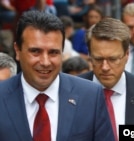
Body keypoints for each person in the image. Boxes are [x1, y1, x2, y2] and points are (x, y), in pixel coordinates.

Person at [0, 10, 115, 141]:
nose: (45, 62)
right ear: (17, 51)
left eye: (53, 52)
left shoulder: (91, 96)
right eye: (35, 51)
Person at [78, 17, 134, 140]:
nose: (105, 67)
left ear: (127, 54)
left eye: (113, 59)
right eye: (98, 59)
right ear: (89, 54)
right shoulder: (71, 93)